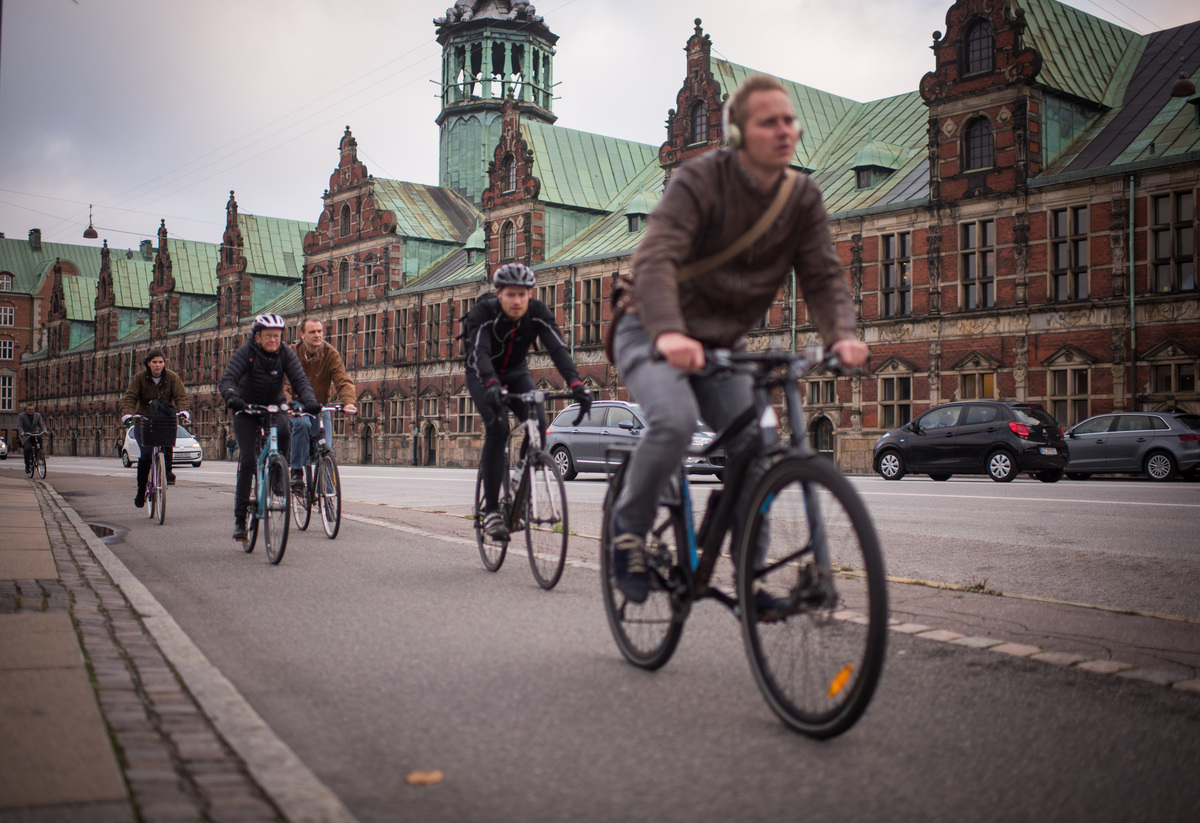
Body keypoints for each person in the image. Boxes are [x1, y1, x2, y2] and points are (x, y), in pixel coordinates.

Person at [609, 74, 870, 603]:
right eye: (768, 122)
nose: (783, 131)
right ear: (738, 132)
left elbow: (822, 276)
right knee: (677, 421)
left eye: (789, 120)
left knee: (758, 449)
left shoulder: (801, 197)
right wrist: (670, 334)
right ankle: (628, 531)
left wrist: (842, 335)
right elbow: (656, 260)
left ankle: (749, 581)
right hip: (649, 329)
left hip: (723, 346)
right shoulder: (699, 180)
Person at [463, 262, 592, 540]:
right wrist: (491, 384)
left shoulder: (537, 312)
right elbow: (480, 353)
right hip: (482, 373)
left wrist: (576, 383)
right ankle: (493, 511)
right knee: (497, 428)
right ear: (499, 294)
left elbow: (557, 348)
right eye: (511, 294)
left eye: (523, 294)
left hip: (516, 371)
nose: (518, 300)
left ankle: (520, 480)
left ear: (530, 294)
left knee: (539, 422)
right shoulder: (483, 313)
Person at [219, 313, 321, 541]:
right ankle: (240, 520)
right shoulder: (245, 353)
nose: (273, 339)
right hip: (246, 408)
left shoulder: (285, 353)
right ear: (257, 337)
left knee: (285, 430)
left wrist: (310, 401)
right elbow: (228, 380)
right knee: (247, 461)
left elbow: (300, 380)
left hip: (274, 406)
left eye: (277, 335)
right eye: (268, 336)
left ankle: (277, 474)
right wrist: (232, 396)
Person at [284, 317, 357, 489]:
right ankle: (296, 471)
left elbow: (342, 380)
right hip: (298, 401)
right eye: (312, 331)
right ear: (302, 334)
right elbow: (284, 383)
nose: (317, 335)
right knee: (301, 424)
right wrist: (287, 404)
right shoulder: (292, 353)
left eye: (319, 331)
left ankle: (329, 498)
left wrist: (348, 402)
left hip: (320, 404)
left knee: (326, 447)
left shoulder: (330, 353)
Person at [121, 348, 190, 508]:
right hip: (144, 419)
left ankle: (168, 471)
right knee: (145, 454)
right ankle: (140, 490)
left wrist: (183, 410)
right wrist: (129, 414)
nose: (158, 365)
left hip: (165, 417)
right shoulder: (139, 378)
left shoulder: (172, 377)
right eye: (154, 362)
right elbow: (131, 396)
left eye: (160, 362)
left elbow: (181, 395)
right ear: (148, 364)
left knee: (167, 440)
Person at [17, 402, 47, 474]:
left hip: (34, 433)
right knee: (27, 448)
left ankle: (39, 454)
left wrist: (45, 430)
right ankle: (27, 466)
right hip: (26, 435)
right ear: (26, 409)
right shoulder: (21, 416)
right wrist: (21, 432)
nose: (31, 411)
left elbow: (41, 424)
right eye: (29, 409)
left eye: (32, 409)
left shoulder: (38, 415)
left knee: (39, 438)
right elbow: (20, 426)